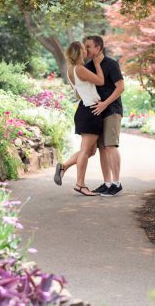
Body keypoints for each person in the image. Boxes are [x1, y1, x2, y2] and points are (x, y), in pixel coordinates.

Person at [53, 41, 105, 196]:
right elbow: (101, 81)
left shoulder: (70, 70)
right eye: (84, 48)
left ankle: (64, 166)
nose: (86, 50)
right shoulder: (80, 69)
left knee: (91, 151)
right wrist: (97, 64)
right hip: (90, 110)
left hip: (85, 109)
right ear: (80, 52)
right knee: (85, 151)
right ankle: (80, 184)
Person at [83, 35, 125, 197]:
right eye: (85, 46)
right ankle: (107, 183)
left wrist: (105, 104)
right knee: (102, 148)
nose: (86, 49)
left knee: (110, 146)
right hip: (97, 113)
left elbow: (120, 87)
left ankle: (116, 183)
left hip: (112, 110)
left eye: (89, 46)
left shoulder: (111, 64)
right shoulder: (87, 67)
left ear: (98, 48)